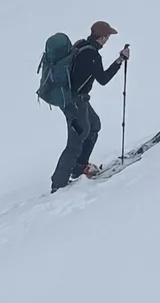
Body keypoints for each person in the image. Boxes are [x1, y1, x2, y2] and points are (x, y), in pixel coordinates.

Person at [50, 24, 129, 190]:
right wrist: (120, 60)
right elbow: (103, 79)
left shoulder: (80, 45)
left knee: (94, 125)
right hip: (74, 103)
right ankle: (58, 183)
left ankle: (79, 167)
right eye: (107, 37)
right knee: (77, 140)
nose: (107, 40)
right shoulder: (92, 55)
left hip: (77, 100)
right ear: (101, 38)